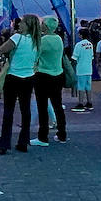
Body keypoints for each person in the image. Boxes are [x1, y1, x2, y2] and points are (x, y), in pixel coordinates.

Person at [0, 15, 41, 155]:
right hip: (29, 78)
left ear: (27, 25)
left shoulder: (17, 38)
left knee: (8, 111)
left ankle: (4, 143)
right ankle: (23, 142)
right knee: (26, 111)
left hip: (13, 77)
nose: (19, 24)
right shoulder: (36, 41)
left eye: (23, 22)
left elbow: (1, 50)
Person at [33, 16, 67, 146]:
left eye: (42, 24)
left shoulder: (44, 40)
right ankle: (62, 134)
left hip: (43, 75)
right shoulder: (58, 39)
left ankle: (43, 137)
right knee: (58, 106)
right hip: (58, 75)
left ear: (46, 27)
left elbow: (35, 55)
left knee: (42, 107)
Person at [71, 28, 95, 112]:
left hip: (81, 68)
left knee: (81, 86)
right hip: (89, 68)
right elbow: (92, 57)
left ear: (81, 35)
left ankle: (80, 103)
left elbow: (74, 58)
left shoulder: (78, 45)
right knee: (88, 86)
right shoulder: (90, 44)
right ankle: (89, 102)